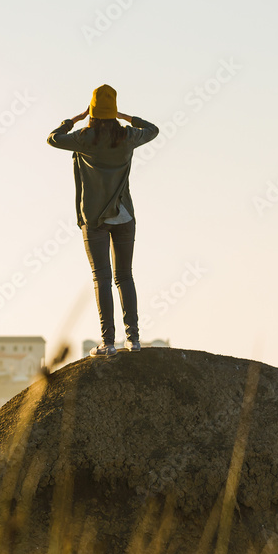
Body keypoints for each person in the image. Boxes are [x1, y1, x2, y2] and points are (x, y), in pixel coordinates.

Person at [47, 84, 159, 357]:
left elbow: (53, 138)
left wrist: (72, 119)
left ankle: (107, 343)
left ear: (93, 112)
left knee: (102, 278)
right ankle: (133, 340)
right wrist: (126, 117)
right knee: (125, 277)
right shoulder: (128, 136)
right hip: (124, 216)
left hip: (94, 218)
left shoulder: (84, 138)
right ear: (113, 111)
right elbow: (153, 130)